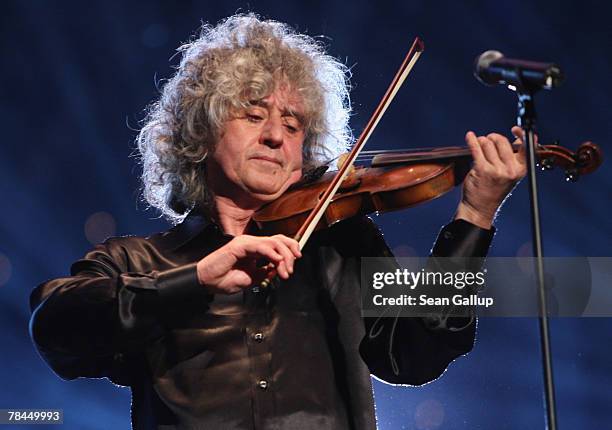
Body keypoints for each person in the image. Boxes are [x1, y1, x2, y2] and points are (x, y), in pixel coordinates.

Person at [29, 14, 526, 430]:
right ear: (200, 133)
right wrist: (196, 279)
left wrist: (474, 216)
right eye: (252, 115)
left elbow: (413, 357)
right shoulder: (137, 261)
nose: (275, 137)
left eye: (293, 125)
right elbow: (55, 330)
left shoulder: (341, 244)